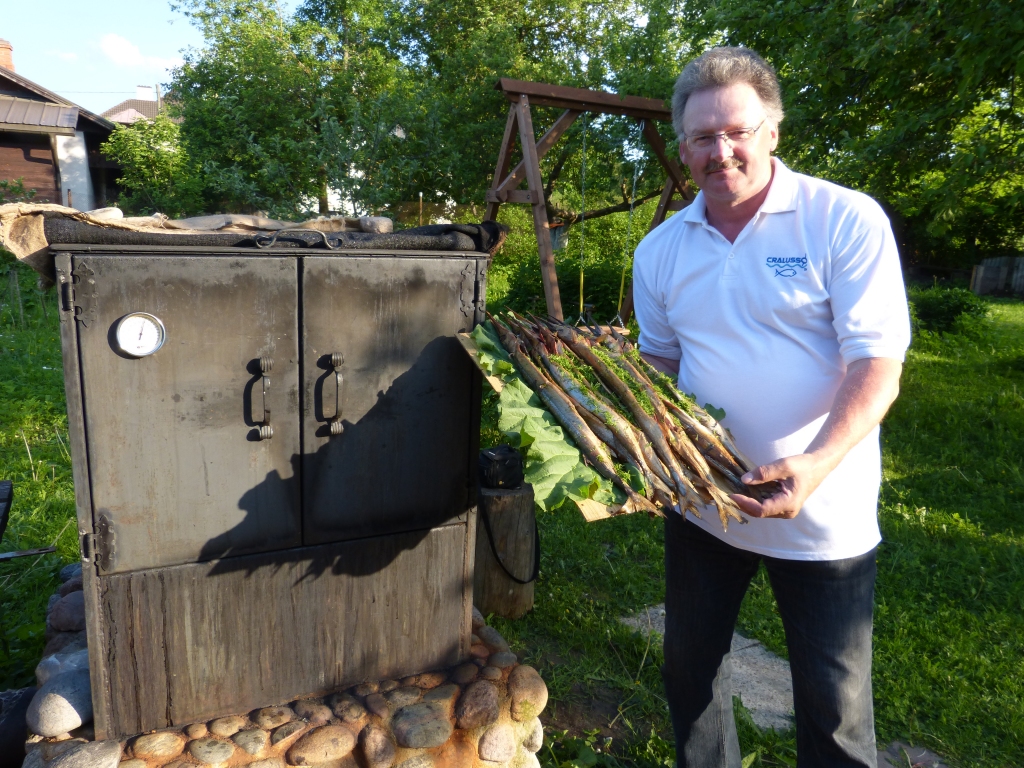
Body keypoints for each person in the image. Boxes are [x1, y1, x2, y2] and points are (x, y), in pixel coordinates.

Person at [631, 47, 911, 768]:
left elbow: (878, 363)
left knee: (835, 711)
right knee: (690, 676)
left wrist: (816, 464)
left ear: (772, 132)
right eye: (702, 137)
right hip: (704, 502)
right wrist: (648, 449)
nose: (721, 151)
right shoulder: (660, 250)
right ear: (683, 147)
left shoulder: (841, 219)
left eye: (737, 131)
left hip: (824, 513)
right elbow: (659, 362)